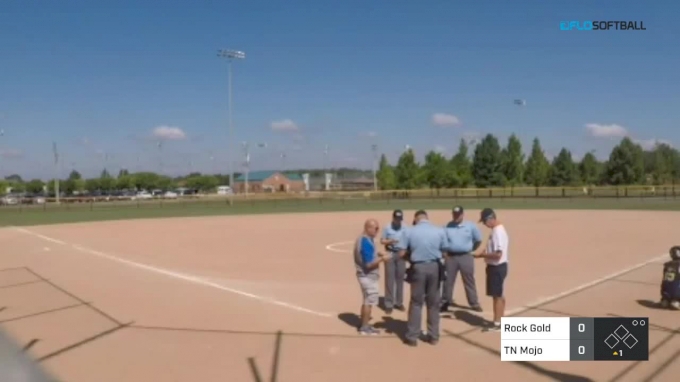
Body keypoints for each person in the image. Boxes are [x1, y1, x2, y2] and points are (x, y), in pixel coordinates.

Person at [398, 210, 447, 346]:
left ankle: (412, 337)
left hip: (418, 267)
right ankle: (433, 336)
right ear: (427, 218)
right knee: (433, 302)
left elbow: (401, 253)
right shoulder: (439, 231)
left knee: (416, 302)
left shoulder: (409, 231)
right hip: (435, 267)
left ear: (416, 219)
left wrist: (411, 257)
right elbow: (444, 252)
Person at [441, 205, 483, 313]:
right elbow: (444, 241)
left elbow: (478, 240)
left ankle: (474, 303)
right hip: (451, 257)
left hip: (466, 256)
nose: (456, 216)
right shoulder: (448, 226)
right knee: (448, 280)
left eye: (458, 214)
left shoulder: (470, 226)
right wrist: (445, 253)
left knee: (469, 280)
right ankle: (445, 302)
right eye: (454, 214)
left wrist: (471, 249)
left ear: (463, 214)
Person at [473, 208, 509, 332]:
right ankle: (500, 321)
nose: (484, 224)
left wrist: (482, 255)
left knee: (497, 296)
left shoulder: (498, 232)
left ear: (491, 218)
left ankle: (497, 323)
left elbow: (498, 254)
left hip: (497, 266)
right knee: (499, 294)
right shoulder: (496, 230)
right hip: (498, 266)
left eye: (484, 221)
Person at [354, 219, 391, 335]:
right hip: (367, 276)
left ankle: (364, 324)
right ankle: (364, 328)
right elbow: (369, 264)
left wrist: (378, 254)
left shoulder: (365, 239)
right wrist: (382, 259)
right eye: (375, 228)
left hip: (365, 275)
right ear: (368, 228)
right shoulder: (365, 242)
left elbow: (369, 256)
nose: (377, 231)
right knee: (368, 302)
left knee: (366, 299)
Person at [380, 209, 407, 314]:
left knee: (400, 279)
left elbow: (408, 240)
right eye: (397, 219)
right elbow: (382, 240)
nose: (398, 221)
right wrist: (390, 241)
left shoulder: (405, 227)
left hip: (401, 254)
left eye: (400, 219)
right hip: (390, 253)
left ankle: (399, 302)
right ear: (393, 218)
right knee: (389, 279)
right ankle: (389, 303)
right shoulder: (387, 227)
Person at [660, 245, 680, 310]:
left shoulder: (667, 264)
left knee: (666, 282)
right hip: (677, 292)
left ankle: (665, 300)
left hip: (665, 291)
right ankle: (676, 301)